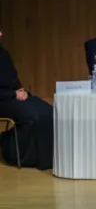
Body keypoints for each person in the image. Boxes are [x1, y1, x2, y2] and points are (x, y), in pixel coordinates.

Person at [0, 30, 54, 170]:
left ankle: (48, 157)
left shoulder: (4, 54)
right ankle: (14, 151)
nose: (1, 34)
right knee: (32, 116)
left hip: (13, 95)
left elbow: (13, 78)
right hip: (3, 99)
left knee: (48, 111)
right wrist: (13, 94)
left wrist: (21, 90)